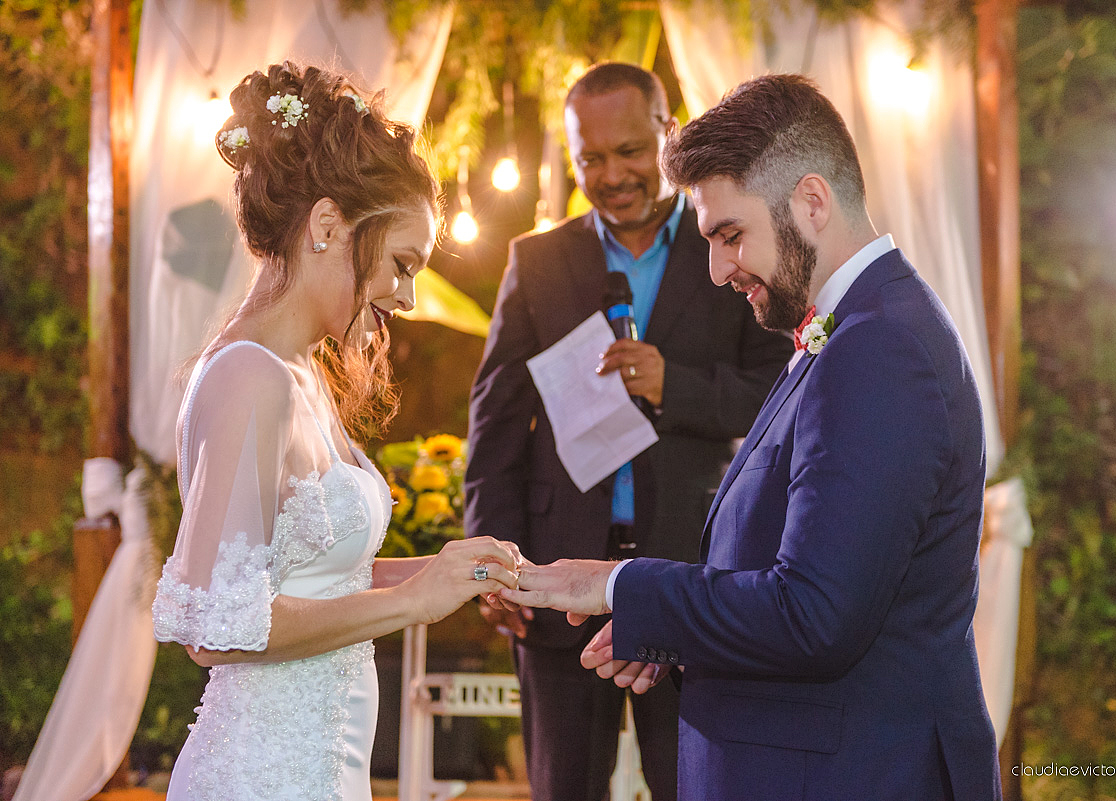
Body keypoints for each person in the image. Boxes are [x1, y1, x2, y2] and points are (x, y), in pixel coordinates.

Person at [502, 73, 1003, 801]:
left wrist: (616, 584)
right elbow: (794, 562)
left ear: (811, 202)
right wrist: (670, 629)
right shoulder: (854, 327)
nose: (717, 270)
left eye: (730, 236)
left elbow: (815, 615)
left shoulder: (878, 348)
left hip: (847, 774)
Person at [150, 62, 522, 801]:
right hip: (263, 777)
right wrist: (412, 602)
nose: (408, 297)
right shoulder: (248, 377)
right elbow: (217, 626)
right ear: (327, 226)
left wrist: (445, 572)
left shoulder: (301, 373)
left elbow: (318, 581)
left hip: (323, 769)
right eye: (402, 264)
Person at [464, 62, 792, 801]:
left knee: (697, 785)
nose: (611, 176)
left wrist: (677, 387)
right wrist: (492, 561)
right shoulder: (538, 261)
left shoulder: (730, 244)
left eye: (630, 152)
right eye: (591, 159)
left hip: (692, 574)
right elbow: (495, 422)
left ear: (668, 133)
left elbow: (782, 394)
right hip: (556, 582)